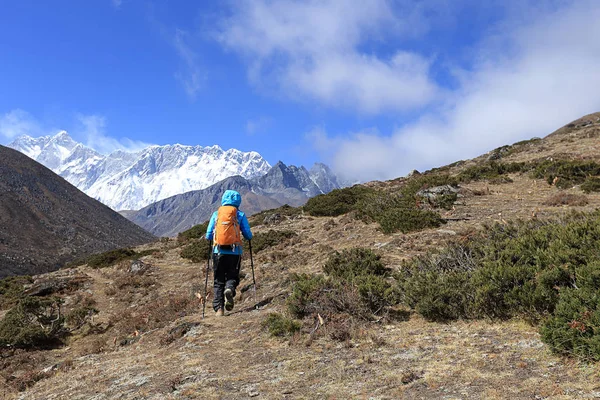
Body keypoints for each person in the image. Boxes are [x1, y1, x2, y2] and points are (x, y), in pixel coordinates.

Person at [205, 190, 253, 316]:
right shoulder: (240, 215)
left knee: (218, 280)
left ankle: (219, 310)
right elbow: (247, 234)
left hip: (218, 252)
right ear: (238, 201)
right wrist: (249, 237)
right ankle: (230, 289)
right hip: (234, 252)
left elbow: (208, 235)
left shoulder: (216, 214)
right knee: (232, 275)